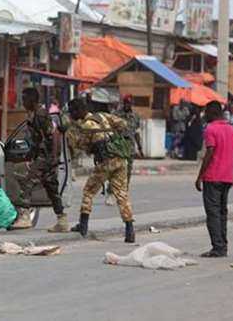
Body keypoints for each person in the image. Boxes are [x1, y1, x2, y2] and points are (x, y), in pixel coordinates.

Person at [65, 98, 135, 242]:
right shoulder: (102, 116)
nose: (71, 115)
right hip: (120, 158)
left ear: (78, 111)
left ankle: (83, 225)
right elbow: (123, 123)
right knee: (122, 195)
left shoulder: (86, 125)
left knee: (88, 191)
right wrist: (113, 137)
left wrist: (69, 132)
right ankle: (129, 230)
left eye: (72, 112)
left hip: (106, 162)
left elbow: (81, 145)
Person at [10, 88, 69, 232]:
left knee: (27, 181)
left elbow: (54, 135)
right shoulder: (34, 115)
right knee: (51, 188)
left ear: (32, 100)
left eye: (24, 99)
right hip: (43, 156)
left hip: (45, 157)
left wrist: (53, 157)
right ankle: (62, 220)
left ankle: (24, 217)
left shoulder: (41, 115)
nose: (23, 102)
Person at [195, 101, 233, 258]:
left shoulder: (211, 129)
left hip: (213, 177)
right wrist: (232, 174)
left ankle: (218, 247)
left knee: (213, 213)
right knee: (222, 212)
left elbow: (210, 152)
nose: (204, 116)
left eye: (206, 112)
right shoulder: (231, 129)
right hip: (226, 176)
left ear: (211, 113)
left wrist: (200, 176)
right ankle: (223, 245)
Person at [106, 95, 144, 206]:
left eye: (130, 103)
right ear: (123, 103)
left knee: (127, 172)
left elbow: (137, 133)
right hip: (118, 147)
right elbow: (110, 131)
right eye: (126, 103)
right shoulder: (116, 115)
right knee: (115, 171)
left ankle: (122, 194)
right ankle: (111, 193)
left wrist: (140, 148)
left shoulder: (135, 117)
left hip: (130, 148)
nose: (128, 105)